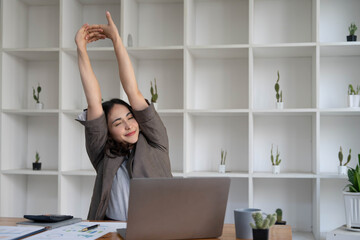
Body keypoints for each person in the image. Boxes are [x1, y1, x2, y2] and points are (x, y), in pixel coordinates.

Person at [75, 11, 173, 221]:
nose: (129, 125)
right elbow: (94, 100)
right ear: (107, 131)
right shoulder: (102, 153)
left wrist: (116, 40)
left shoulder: (156, 142)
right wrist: (81, 48)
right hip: (108, 231)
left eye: (130, 117)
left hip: (157, 229)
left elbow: (133, 91)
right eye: (118, 123)